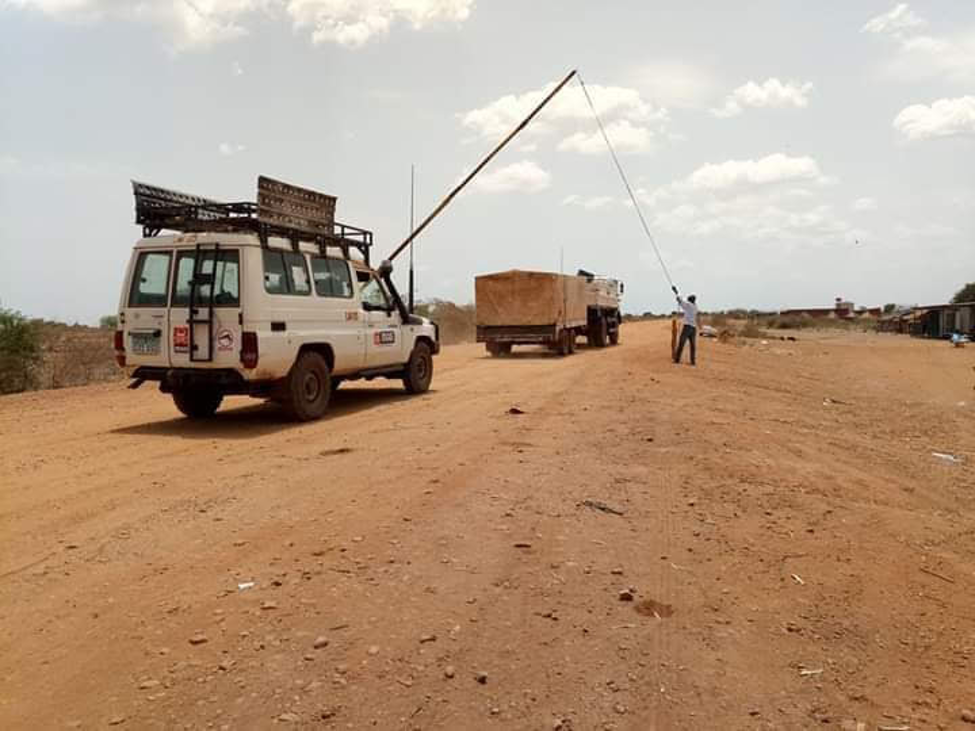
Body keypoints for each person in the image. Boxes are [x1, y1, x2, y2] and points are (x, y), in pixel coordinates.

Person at [672, 285, 699, 366]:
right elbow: (681, 301)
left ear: (689, 300)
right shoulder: (695, 306)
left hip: (687, 327)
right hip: (694, 328)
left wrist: (675, 291)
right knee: (693, 345)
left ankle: (677, 360)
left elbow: (680, 300)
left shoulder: (689, 305)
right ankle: (693, 361)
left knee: (681, 343)